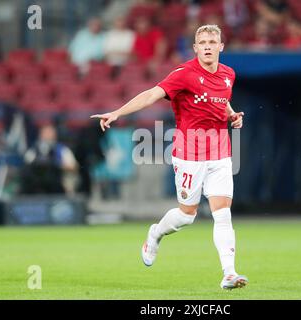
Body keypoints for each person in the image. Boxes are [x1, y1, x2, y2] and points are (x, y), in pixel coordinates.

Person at [91, 25, 248, 290]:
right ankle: (155, 234)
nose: (208, 46)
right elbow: (152, 94)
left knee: (222, 214)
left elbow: (221, 101)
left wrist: (231, 114)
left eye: (212, 41)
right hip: (189, 155)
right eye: (202, 42)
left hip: (220, 152)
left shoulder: (228, 74)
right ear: (195, 48)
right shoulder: (184, 74)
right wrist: (118, 112)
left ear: (221, 47)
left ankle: (229, 273)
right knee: (187, 215)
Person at [23, 124, 79, 195]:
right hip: (36, 182)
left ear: (55, 135)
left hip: (57, 182)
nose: (47, 136)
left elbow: (74, 166)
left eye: (50, 134)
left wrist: (57, 165)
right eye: (45, 134)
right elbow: (26, 164)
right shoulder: (34, 149)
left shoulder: (62, 150)